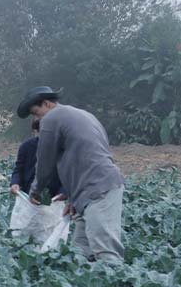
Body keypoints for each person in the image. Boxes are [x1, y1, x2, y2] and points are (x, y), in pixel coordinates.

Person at [18, 86, 125, 262]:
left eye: (36, 113)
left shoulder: (52, 118)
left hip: (98, 190)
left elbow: (44, 162)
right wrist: (73, 198)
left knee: (106, 253)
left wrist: (35, 191)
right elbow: (83, 157)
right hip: (96, 189)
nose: (36, 120)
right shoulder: (84, 115)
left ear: (47, 103)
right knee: (80, 250)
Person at [10, 118, 61, 198]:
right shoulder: (26, 147)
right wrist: (15, 183)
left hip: (55, 197)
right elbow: (19, 169)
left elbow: (69, 174)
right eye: (40, 132)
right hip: (29, 194)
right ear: (35, 131)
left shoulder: (61, 147)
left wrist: (63, 192)